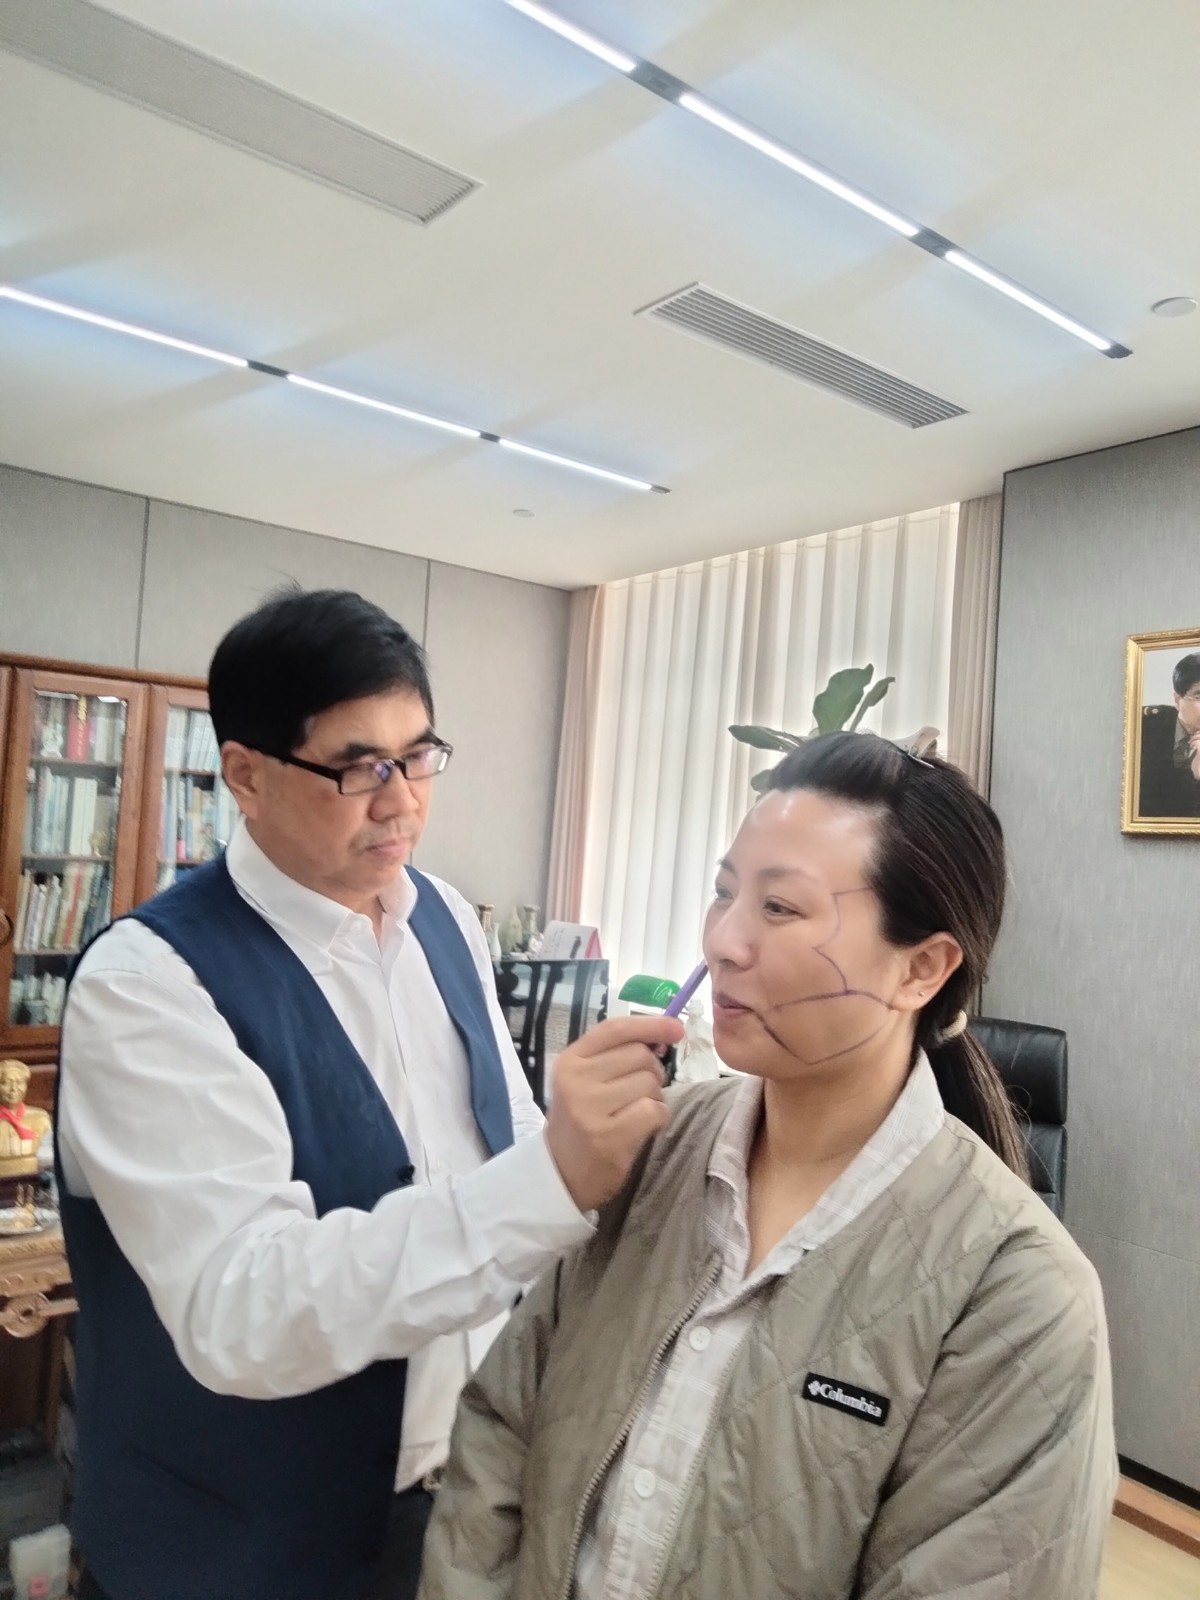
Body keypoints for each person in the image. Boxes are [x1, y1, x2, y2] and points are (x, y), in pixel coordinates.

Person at [56, 588, 678, 1600]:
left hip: (463, 1493)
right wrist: (553, 1182)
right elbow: (241, 1306)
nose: (400, 803)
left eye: (418, 756)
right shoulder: (151, 983)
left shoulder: (443, 917)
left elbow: (500, 1133)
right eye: (357, 768)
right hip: (241, 1547)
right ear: (246, 775)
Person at [420, 732, 1117, 1600]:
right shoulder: (642, 1152)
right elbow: (499, 1439)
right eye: (724, 893)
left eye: (780, 908)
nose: (723, 941)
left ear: (922, 969)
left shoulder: (1019, 1297)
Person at [1138, 651, 1200, 818]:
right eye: (1199, 696)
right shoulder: (1146, 727)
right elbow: (1144, 805)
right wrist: (1193, 774)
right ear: (1178, 700)